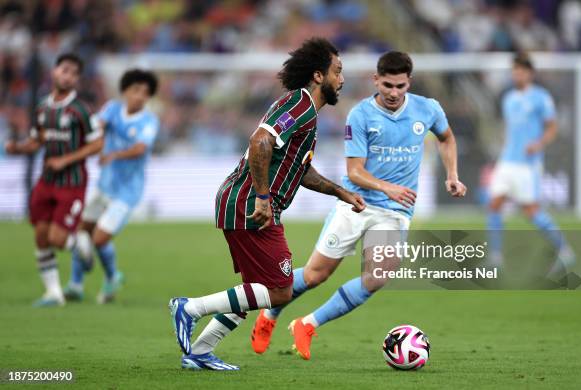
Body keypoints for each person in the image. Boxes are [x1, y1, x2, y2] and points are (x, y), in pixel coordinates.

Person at [250, 51, 467, 360]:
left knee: (377, 277)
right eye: (388, 85)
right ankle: (269, 315)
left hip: (394, 212)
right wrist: (387, 187)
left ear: (409, 83)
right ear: (376, 80)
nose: (393, 93)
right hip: (356, 204)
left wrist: (452, 175)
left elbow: (446, 138)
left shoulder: (427, 109)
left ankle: (308, 324)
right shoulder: (361, 115)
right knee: (314, 276)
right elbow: (354, 171)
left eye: (400, 86)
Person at [168, 38, 366, 370]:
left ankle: (200, 352)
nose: (342, 80)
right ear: (318, 76)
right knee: (279, 292)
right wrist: (262, 198)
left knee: (254, 290)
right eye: (337, 71)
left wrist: (339, 192)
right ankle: (189, 308)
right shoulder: (299, 105)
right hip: (251, 202)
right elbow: (260, 140)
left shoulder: (306, 114)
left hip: (244, 200)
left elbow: (299, 170)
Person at [4, 53, 103, 306]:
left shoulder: (81, 109)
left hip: (72, 182)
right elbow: (38, 141)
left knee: (58, 239)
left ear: (77, 79)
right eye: (64, 70)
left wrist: (66, 159)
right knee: (40, 235)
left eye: (73, 73)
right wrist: (19, 148)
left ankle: (78, 241)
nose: (67, 76)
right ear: (54, 72)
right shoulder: (42, 108)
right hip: (46, 181)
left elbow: (97, 144)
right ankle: (53, 293)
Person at [64, 69, 160, 304]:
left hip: (127, 193)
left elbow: (140, 148)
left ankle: (111, 275)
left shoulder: (149, 121)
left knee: (98, 239)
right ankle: (76, 284)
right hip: (103, 185)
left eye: (145, 93)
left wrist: (113, 154)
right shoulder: (112, 109)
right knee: (81, 230)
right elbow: (96, 127)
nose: (140, 96)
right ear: (125, 91)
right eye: (135, 90)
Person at [487, 53, 574, 275]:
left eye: (521, 70)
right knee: (494, 205)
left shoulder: (541, 97)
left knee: (531, 211)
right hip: (507, 160)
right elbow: (511, 129)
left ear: (530, 73)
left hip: (528, 164)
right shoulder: (508, 99)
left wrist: (539, 143)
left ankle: (564, 251)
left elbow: (552, 127)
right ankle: (495, 258)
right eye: (514, 71)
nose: (517, 74)